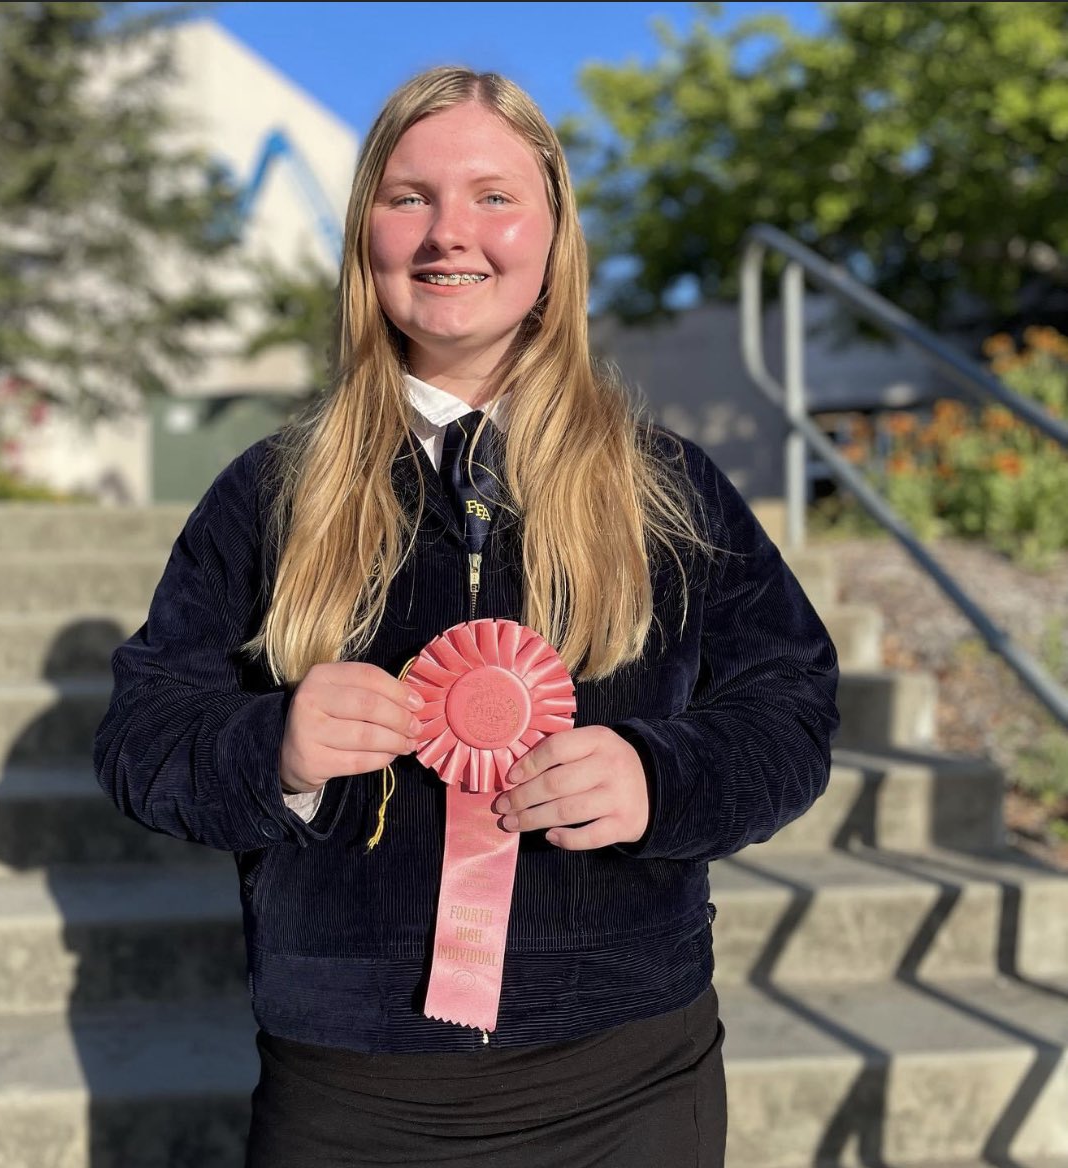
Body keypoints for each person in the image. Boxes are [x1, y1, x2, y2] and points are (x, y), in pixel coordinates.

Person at [93, 66, 839, 1168]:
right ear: (366, 234)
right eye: (410, 197)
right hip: (348, 1095)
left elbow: (794, 708)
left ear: (554, 236)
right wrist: (273, 747)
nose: (451, 232)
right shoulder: (267, 494)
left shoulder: (667, 487)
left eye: (495, 196)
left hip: (631, 1078)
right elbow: (140, 737)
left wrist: (662, 777)